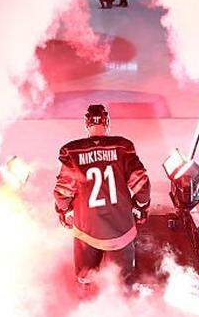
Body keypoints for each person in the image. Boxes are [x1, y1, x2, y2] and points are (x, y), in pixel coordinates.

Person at [54, 104, 150, 287]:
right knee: (121, 283)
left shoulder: (72, 152)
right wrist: (141, 206)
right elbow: (141, 184)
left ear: (86, 123)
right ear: (107, 122)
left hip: (87, 228)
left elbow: (62, 192)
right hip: (121, 228)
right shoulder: (123, 147)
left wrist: (63, 210)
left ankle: (87, 301)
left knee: (85, 276)